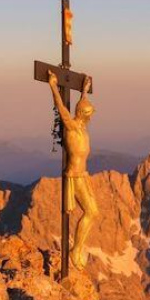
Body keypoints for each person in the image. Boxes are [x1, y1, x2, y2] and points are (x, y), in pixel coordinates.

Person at [47, 71, 100, 269]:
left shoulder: (83, 128)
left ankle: (78, 247)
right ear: (83, 115)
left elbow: (80, 107)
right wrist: (53, 85)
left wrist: (84, 91)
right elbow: (61, 109)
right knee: (91, 212)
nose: (91, 117)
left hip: (83, 175)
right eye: (89, 114)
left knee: (94, 213)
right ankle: (76, 249)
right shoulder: (71, 128)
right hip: (74, 177)